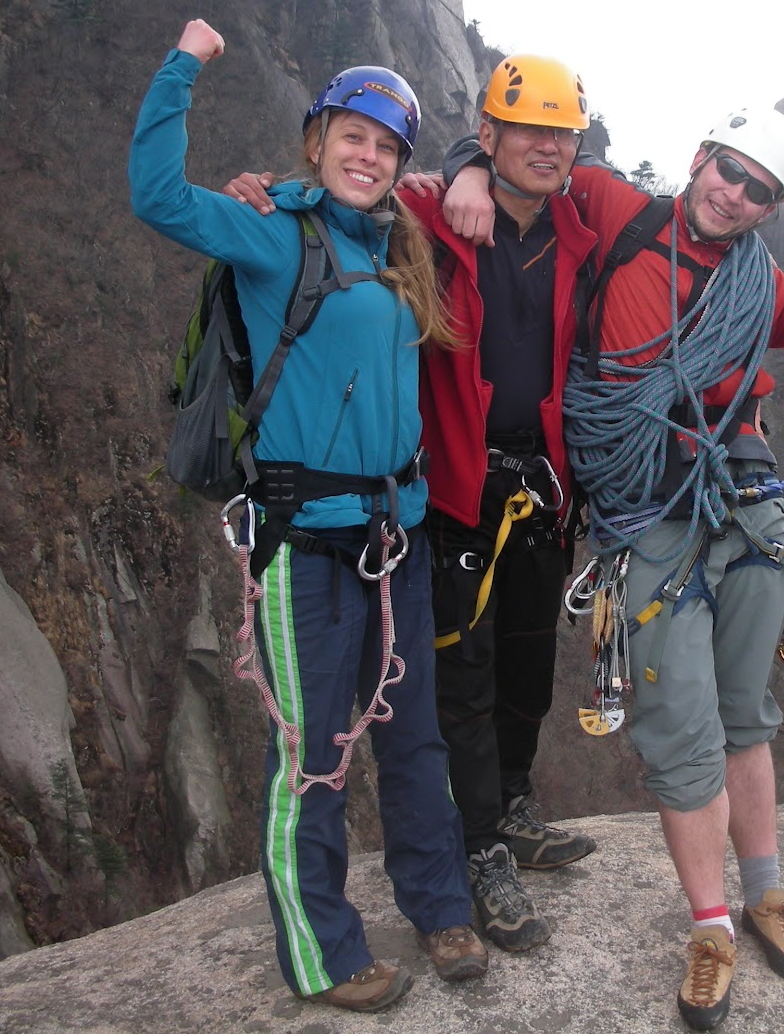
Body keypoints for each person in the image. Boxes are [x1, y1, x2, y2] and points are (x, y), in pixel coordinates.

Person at [442, 107, 784, 1029]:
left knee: (747, 714)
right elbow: (532, 160)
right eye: (727, 171)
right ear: (700, 158)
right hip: (647, 518)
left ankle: (766, 893)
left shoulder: (764, 285)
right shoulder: (618, 213)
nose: (733, 194)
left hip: (745, 506)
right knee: (678, 725)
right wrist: (465, 166)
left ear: (770, 207)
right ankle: (709, 928)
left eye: (758, 190)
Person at [129, 18, 486, 1014]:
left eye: (384, 147)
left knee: (412, 735)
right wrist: (184, 62)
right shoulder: (273, 233)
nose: (366, 157)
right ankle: (322, 953)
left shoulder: (398, 249)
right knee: (313, 753)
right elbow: (154, 195)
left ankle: (439, 901)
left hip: (395, 536)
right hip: (304, 542)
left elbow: (497, 185)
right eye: (350, 138)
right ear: (316, 141)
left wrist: (469, 163)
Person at [225, 54, 602, 955]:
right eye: (524, 130)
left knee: (522, 672)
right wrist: (269, 191)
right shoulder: (427, 213)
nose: (545, 148)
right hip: (446, 492)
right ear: (489, 132)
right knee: (451, 689)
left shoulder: (581, 224)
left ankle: (508, 813)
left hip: (538, 488)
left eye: (562, 134)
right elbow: (362, 190)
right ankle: (474, 854)